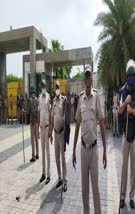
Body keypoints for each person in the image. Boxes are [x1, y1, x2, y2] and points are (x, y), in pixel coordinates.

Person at [72, 64, 107, 214]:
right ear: (83, 79)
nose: (88, 78)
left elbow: (102, 123)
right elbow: (77, 125)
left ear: (92, 78)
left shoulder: (96, 96)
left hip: (94, 150)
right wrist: (73, 150)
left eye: (89, 75)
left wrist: (105, 150)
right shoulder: (80, 99)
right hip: (83, 150)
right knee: (84, 189)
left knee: (95, 189)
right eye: (86, 75)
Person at [118, 59, 135, 209]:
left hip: (134, 133)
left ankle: (132, 196)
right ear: (126, 76)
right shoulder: (122, 91)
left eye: (132, 76)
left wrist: (132, 110)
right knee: (124, 167)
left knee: (133, 168)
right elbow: (119, 110)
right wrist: (126, 102)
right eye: (129, 76)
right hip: (125, 134)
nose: (130, 78)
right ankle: (122, 196)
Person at [51, 81, 68, 192]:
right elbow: (53, 117)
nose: (57, 88)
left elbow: (66, 118)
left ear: (60, 88)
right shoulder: (53, 101)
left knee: (63, 158)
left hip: (61, 133)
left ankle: (65, 180)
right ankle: (59, 178)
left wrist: (66, 135)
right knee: (56, 158)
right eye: (55, 87)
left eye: (58, 87)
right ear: (54, 88)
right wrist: (51, 133)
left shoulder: (64, 100)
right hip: (55, 133)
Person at [38, 80, 53, 184]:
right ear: (41, 87)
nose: (43, 87)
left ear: (46, 87)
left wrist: (51, 130)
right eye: (42, 86)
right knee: (42, 151)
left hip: (47, 127)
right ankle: (43, 173)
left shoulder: (48, 97)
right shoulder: (39, 97)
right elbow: (39, 112)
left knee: (47, 152)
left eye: (44, 86)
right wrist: (38, 126)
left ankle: (48, 174)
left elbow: (50, 113)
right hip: (41, 127)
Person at [26, 91, 39, 162]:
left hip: (32, 122)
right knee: (36, 138)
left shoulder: (30, 100)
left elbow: (28, 111)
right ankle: (37, 154)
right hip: (37, 121)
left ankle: (33, 156)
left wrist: (24, 111)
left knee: (32, 140)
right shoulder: (37, 99)